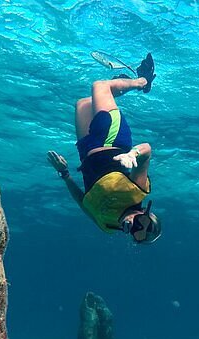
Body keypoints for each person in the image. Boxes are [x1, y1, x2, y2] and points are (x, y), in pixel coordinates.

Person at [47, 53, 161, 244]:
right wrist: (133, 154)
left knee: (83, 103)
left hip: (87, 150)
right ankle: (142, 81)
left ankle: (119, 88)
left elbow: (81, 201)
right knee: (99, 86)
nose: (133, 225)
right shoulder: (138, 191)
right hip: (112, 139)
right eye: (141, 222)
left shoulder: (106, 225)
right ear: (144, 211)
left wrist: (64, 174)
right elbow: (147, 150)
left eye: (137, 233)